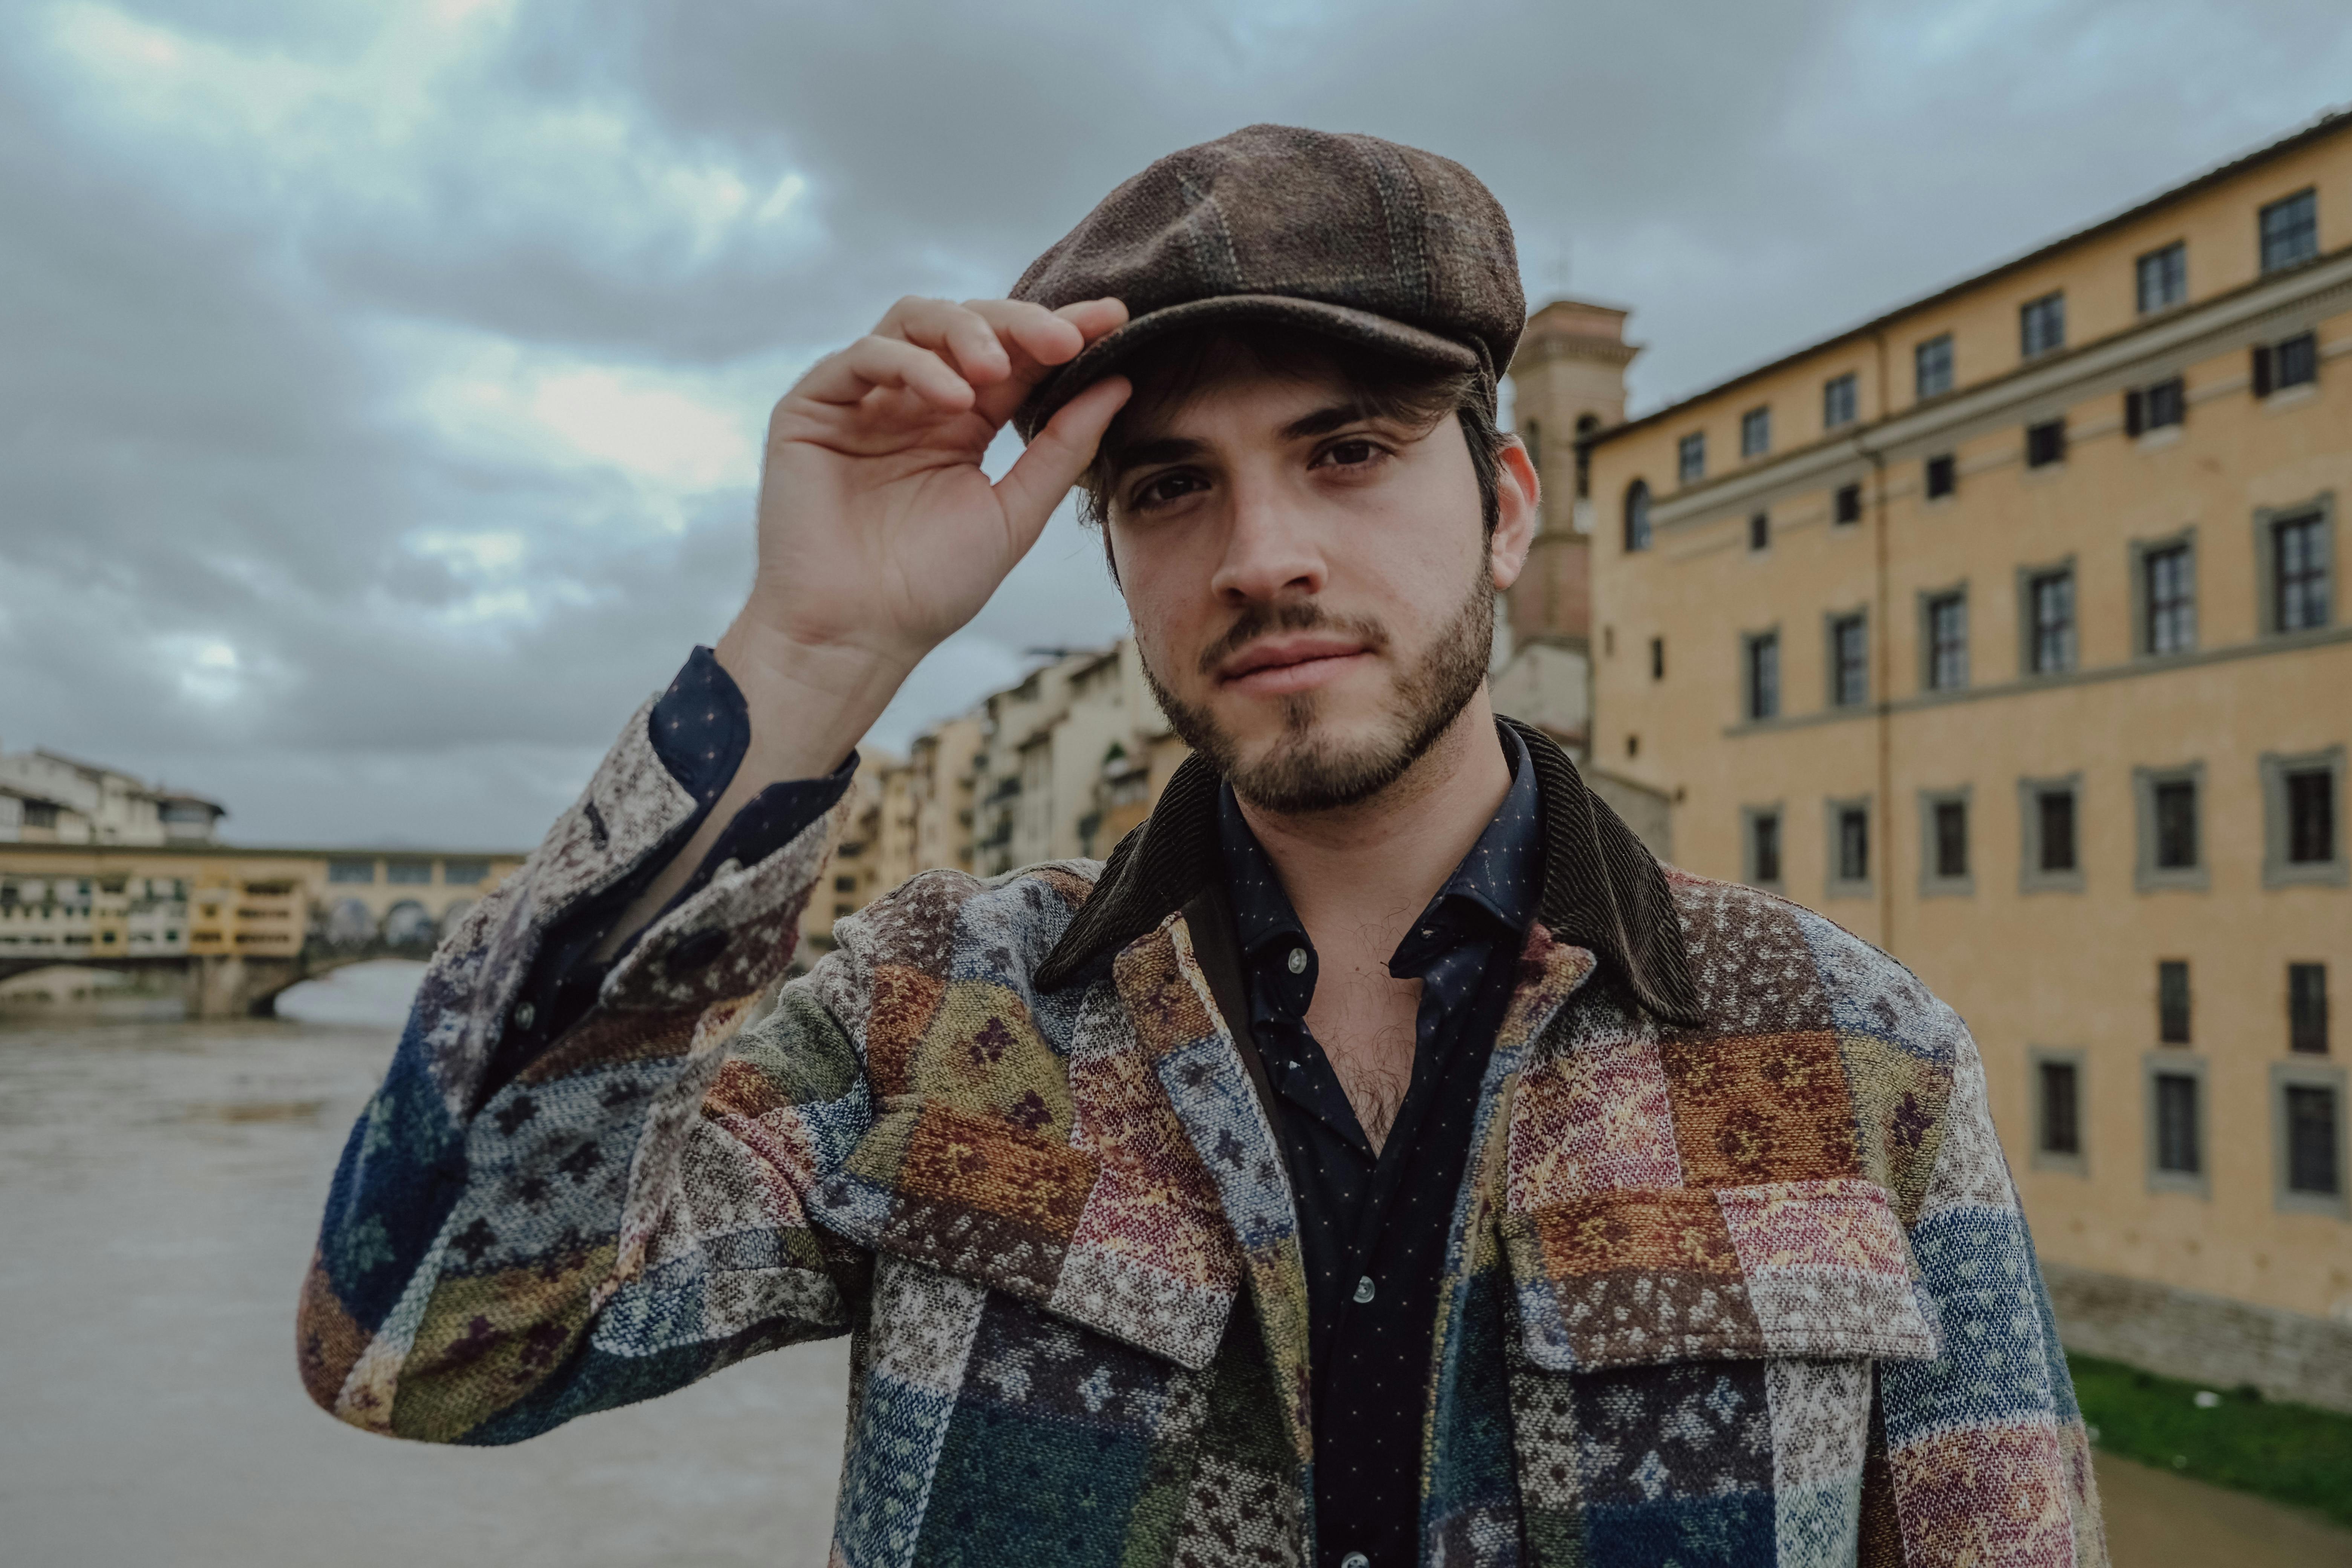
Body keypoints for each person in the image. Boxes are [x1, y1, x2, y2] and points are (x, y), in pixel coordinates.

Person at [299, 125, 2105, 1568]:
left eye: (1348, 451)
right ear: (1111, 554)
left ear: (1503, 509)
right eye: (1170, 485)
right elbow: (421, 1344)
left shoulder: (1852, 1050)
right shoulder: (937, 1013)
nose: (1261, 553)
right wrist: (804, 658)